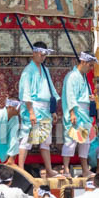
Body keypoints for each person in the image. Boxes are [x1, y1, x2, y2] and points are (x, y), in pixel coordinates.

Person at [17, 42, 60, 175]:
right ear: (34, 53)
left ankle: (48, 169)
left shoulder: (45, 70)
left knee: (45, 142)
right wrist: (31, 112)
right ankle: (21, 169)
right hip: (34, 108)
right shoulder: (28, 71)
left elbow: (51, 90)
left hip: (45, 109)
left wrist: (52, 110)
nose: (43, 57)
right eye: (41, 54)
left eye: (44, 55)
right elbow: (26, 93)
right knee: (27, 140)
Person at [62, 52, 98, 177]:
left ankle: (85, 169)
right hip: (76, 111)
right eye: (90, 65)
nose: (91, 68)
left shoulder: (84, 77)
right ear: (83, 62)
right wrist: (72, 112)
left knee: (85, 142)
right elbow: (70, 95)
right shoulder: (72, 76)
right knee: (71, 141)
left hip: (85, 112)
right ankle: (66, 169)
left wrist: (90, 98)